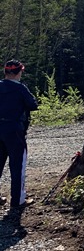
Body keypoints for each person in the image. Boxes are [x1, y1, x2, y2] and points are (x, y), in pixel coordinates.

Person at [0, 60, 38, 208]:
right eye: (21, 71)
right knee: (17, 165)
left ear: (5, 72)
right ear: (18, 72)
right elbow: (33, 105)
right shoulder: (20, 88)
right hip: (14, 129)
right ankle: (18, 200)